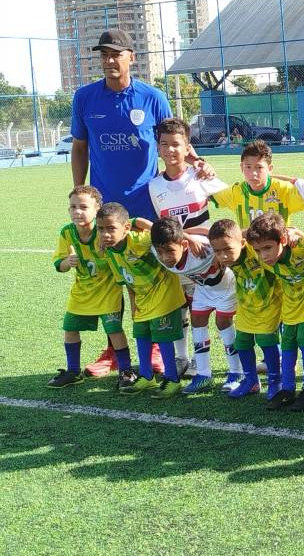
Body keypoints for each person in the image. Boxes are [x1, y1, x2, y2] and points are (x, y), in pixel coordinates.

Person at [70, 29, 212, 377]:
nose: (108, 61)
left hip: (148, 206)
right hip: (107, 209)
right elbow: (79, 148)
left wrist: (196, 162)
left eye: (115, 54)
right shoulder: (85, 97)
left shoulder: (152, 97)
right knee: (110, 279)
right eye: (103, 55)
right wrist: (80, 194)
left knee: (149, 280)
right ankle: (114, 353)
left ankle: (158, 349)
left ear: (131, 56)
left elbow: (173, 138)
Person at [148, 117, 229, 375]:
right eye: (164, 144)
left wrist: (204, 165)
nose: (170, 150)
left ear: (187, 147)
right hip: (177, 259)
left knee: (201, 309)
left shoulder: (200, 175)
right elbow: (166, 228)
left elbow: (232, 198)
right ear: (158, 148)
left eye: (176, 144)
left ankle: (200, 359)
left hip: (204, 257)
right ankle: (182, 358)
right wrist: (180, 239)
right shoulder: (154, 185)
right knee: (180, 308)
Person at [96, 203, 185, 398]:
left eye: (111, 228)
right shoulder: (110, 252)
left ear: (126, 228)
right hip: (143, 301)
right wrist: (134, 305)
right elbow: (126, 279)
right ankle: (146, 376)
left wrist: (135, 221)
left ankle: (172, 379)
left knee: (163, 338)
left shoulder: (139, 240)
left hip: (164, 295)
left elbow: (160, 232)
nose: (105, 234)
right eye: (101, 229)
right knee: (141, 335)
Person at [47, 186, 132, 389]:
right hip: (82, 290)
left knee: (114, 330)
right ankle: (73, 371)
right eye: (73, 207)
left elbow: (126, 242)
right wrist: (69, 261)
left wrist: (108, 248)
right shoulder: (67, 232)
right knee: (70, 328)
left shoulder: (105, 230)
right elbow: (59, 264)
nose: (77, 211)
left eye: (83, 207)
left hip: (107, 289)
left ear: (97, 209)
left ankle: (126, 372)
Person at [150, 217, 240, 395]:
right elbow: (144, 226)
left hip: (226, 287)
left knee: (222, 323)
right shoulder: (156, 249)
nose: (165, 257)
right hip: (203, 290)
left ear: (183, 245)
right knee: (197, 322)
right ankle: (204, 375)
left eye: (169, 251)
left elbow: (221, 235)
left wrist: (191, 238)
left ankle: (237, 373)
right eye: (160, 252)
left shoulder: (202, 249)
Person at [248, 212, 304, 412]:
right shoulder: (263, 258)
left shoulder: (299, 248)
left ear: (283, 240)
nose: (264, 255)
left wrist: (295, 232)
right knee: (287, 351)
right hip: (287, 314)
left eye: (268, 248)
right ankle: (287, 390)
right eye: (259, 250)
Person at [208, 219, 282, 399]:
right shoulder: (230, 255)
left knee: (267, 342)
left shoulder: (256, 252)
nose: (223, 256)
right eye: (218, 251)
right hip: (246, 308)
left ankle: (275, 382)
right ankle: (251, 381)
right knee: (241, 343)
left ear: (242, 243)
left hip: (269, 306)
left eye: (227, 250)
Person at [210, 140, 304, 228]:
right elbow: (207, 195)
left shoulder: (284, 190)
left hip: (278, 246)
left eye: (259, 167)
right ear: (241, 167)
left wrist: (294, 231)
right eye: (248, 167)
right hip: (247, 246)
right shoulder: (236, 191)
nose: (253, 173)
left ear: (270, 169)